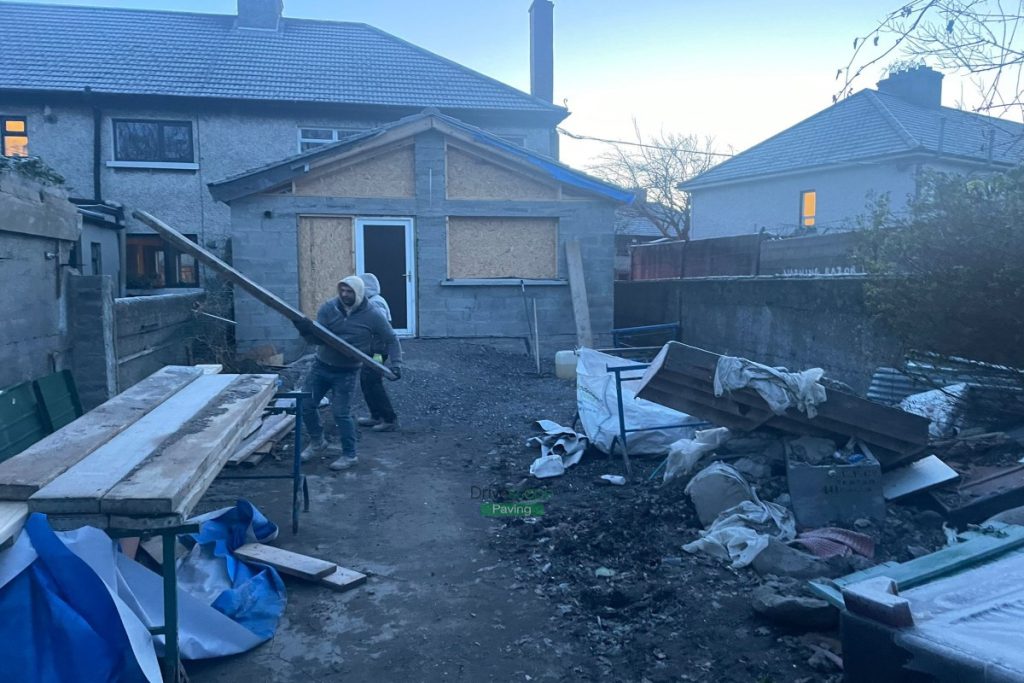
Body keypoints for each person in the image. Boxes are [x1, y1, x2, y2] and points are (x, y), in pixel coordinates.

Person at [292, 275, 402, 471]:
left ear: (358, 293)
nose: (344, 294)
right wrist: (305, 331)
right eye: (342, 290)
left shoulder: (373, 314)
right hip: (321, 365)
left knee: (341, 413)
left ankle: (350, 455)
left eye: (349, 291)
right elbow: (317, 341)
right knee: (306, 405)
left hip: (347, 371)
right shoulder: (329, 308)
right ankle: (317, 442)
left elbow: (391, 339)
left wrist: (396, 364)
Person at [357, 273, 400, 432]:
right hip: (371, 350)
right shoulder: (372, 302)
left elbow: (382, 330)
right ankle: (375, 416)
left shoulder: (376, 304)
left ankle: (389, 419)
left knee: (373, 382)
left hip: (378, 351)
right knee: (366, 381)